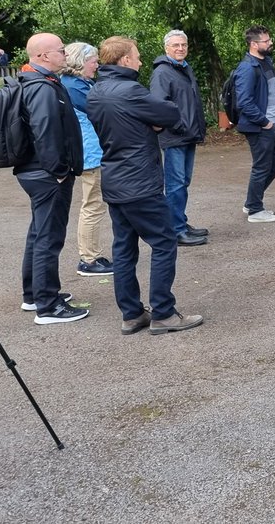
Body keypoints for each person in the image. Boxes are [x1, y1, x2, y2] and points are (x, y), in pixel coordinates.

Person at [87, 36, 203, 335]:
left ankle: (132, 314)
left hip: (114, 179)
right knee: (164, 242)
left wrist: (149, 122)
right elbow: (170, 113)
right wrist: (152, 122)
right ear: (124, 59)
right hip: (140, 181)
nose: (140, 62)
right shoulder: (130, 91)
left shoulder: (97, 91)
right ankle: (163, 313)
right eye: (137, 57)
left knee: (124, 249)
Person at [15, 33, 86, 324]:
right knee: (48, 237)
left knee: (39, 233)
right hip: (46, 174)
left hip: (35, 171)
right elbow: (46, 133)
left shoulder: (33, 81)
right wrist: (58, 172)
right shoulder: (42, 88)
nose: (65, 55)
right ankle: (48, 305)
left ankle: (34, 295)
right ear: (43, 56)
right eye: (60, 51)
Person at [150, 29, 209, 246]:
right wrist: (178, 125)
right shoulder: (162, 73)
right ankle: (175, 230)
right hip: (175, 135)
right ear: (166, 48)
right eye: (175, 45)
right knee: (175, 184)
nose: (180, 49)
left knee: (183, 182)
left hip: (188, 135)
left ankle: (180, 222)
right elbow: (158, 105)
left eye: (183, 45)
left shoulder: (184, 68)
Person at [60, 42, 114, 277]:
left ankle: (91, 254)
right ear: (81, 62)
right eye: (93, 60)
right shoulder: (75, 87)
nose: (97, 64)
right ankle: (89, 259)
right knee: (92, 205)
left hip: (91, 151)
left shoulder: (78, 83)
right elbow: (100, 109)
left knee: (94, 204)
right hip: (90, 154)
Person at [234, 26, 275, 223]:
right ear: (254, 45)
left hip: (274, 123)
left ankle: (251, 202)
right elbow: (244, 102)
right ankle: (255, 210)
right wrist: (265, 122)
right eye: (266, 41)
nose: (270, 43)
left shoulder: (266, 62)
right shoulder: (247, 68)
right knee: (262, 166)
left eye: (269, 40)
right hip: (261, 126)